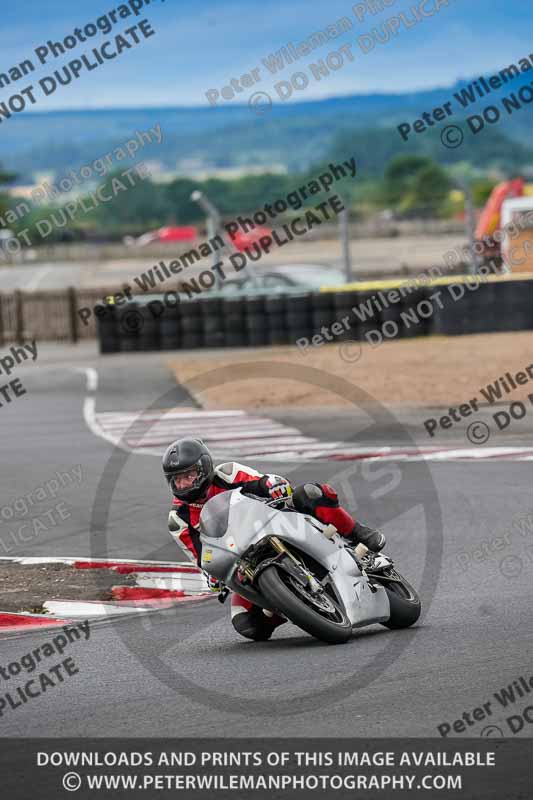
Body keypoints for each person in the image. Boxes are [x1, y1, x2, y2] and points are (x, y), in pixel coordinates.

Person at [163, 437, 385, 642]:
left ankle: (357, 532)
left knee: (310, 493)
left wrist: (273, 485)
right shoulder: (178, 519)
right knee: (246, 624)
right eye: (177, 479)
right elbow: (201, 557)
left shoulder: (228, 473)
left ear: (204, 468)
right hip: (243, 558)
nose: (183, 484)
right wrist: (213, 576)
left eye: (189, 475)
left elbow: (263, 482)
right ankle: (292, 604)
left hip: (276, 523)